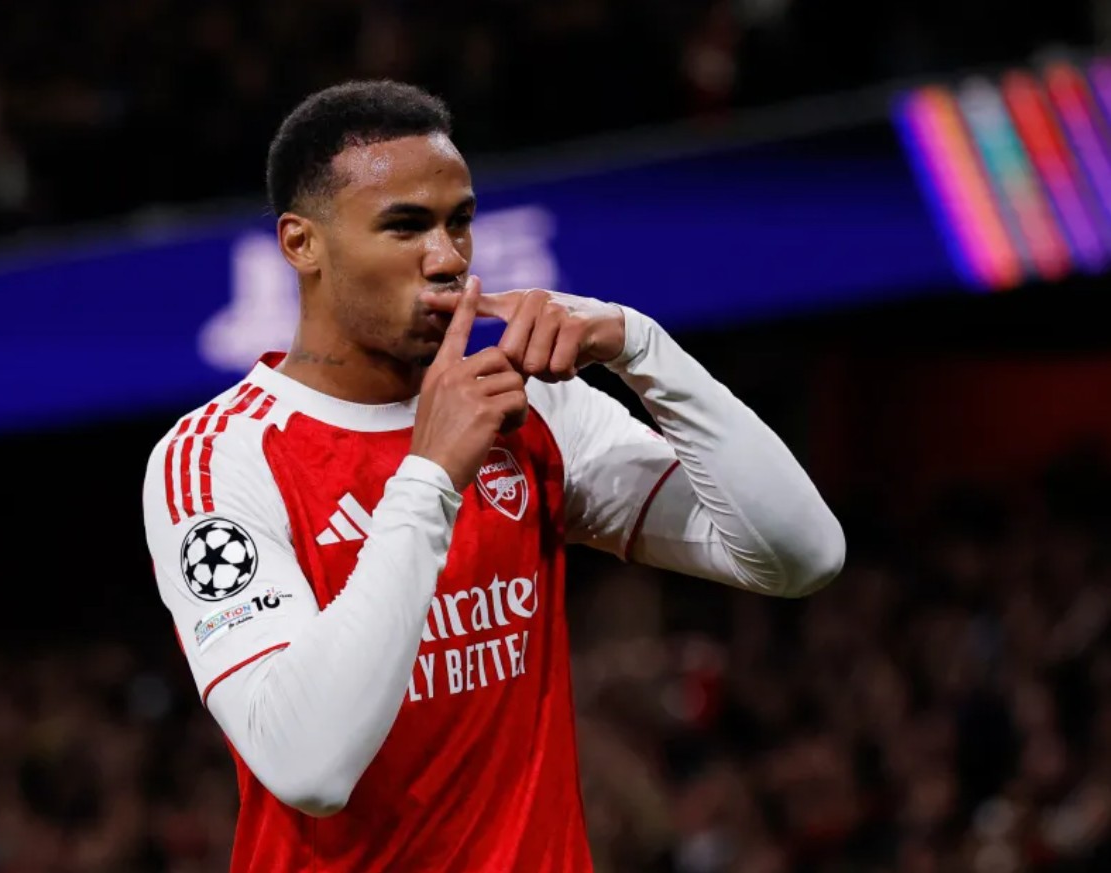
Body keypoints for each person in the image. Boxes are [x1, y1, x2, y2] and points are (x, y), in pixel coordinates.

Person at [142, 80, 846, 872]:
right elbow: (310, 765)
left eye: (459, 222)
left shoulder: (531, 404)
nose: (447, 258)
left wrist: (643, 349)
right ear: (303, 243)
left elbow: (798, 555)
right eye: (404, 226)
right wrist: (431, 474)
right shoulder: (215, 458)